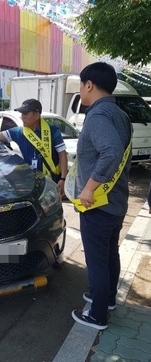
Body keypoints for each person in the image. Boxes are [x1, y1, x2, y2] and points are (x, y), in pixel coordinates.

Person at [70, 62, 133, 330]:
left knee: (96, 259)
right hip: (116, 202)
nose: (80, 91)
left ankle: (97, 315)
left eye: (80, 86)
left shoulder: (97, 116)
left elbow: (111, 152)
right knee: (109, 255)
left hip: (98, 205)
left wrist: (89, 187)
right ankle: (106, 299)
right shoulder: (121, 114)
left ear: (89, 85)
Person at [0, 99, 68, 195]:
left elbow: (62, 154)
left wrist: (63, 178)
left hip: (52, 179)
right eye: (21, 114)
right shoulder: (19, 132)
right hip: (32, 180)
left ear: (37, 115)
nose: (22, 117)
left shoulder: (52, 131)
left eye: (26, 114)